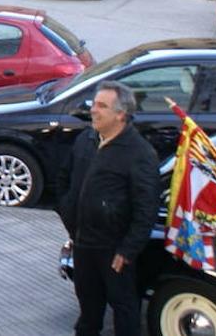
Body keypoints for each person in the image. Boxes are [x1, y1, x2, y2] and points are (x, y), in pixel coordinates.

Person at [57, 81, 159, 336]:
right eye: (94, 104)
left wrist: (127, 250)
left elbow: (146, 208)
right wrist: (69, 215)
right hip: (83, 244)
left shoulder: (140, 153)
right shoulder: (85, 140)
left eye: (102, 106)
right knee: (88, 312)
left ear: (120, 114)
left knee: (124, 311)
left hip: (115, 252)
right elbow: (63, 179)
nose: (93, 110)